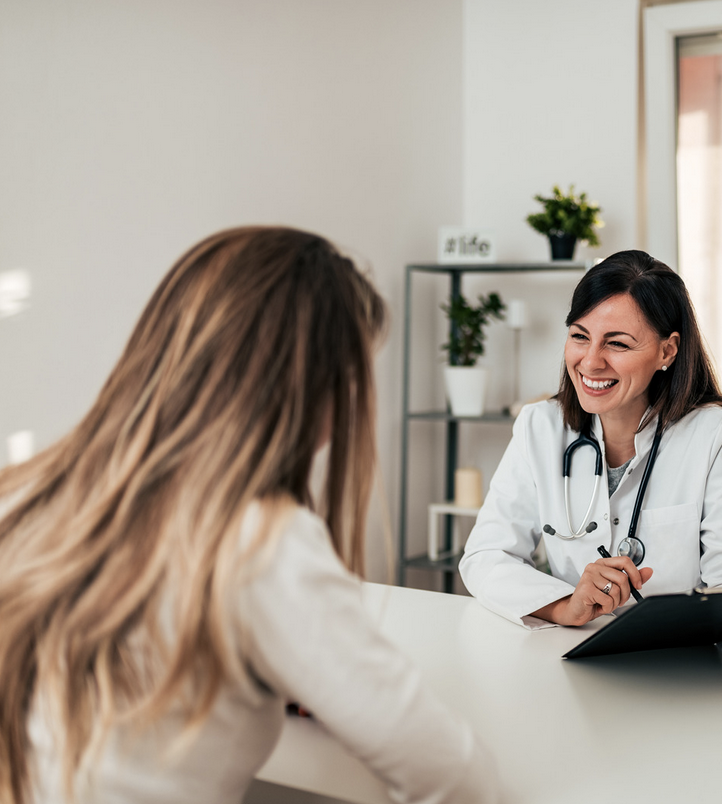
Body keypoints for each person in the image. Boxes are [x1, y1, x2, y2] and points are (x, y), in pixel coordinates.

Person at [0, 227, 496, 804]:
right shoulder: (265, 544)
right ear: (316, 390)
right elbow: (457, 779)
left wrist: (254, 663)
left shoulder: (28, 490)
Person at [459, 250, 722, 671]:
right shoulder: (540, 426)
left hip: (677, 671)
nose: (591, 361)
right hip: (571, 665)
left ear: (667, 351)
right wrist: (565, 606)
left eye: (617, 343)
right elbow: (485, 555)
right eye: (579, 336)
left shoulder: (715, 436)